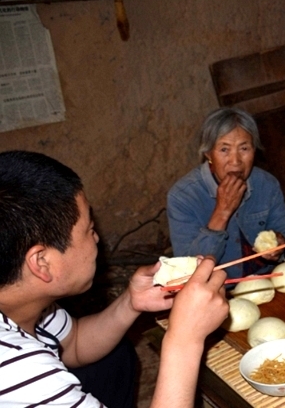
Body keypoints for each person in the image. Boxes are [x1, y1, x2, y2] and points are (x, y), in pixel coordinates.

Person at [0, 150, 229, 407]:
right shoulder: (17, 371)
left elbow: (73, 343)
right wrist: (184, 339)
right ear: (42, 262)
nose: (97, 238)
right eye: (89, 229)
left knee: (114, 359)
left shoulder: (19, 298)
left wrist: (131, 302)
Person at [167, 107, 285, 278]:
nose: (236, 161)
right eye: (224, 150)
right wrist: (222, 212)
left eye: (244, 148)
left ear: (254, 150)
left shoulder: (266, 184)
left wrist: (282, 242)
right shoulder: (183, 197)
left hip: (268, 278)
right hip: (219, 290)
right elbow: (187, 269)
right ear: (209, 154)